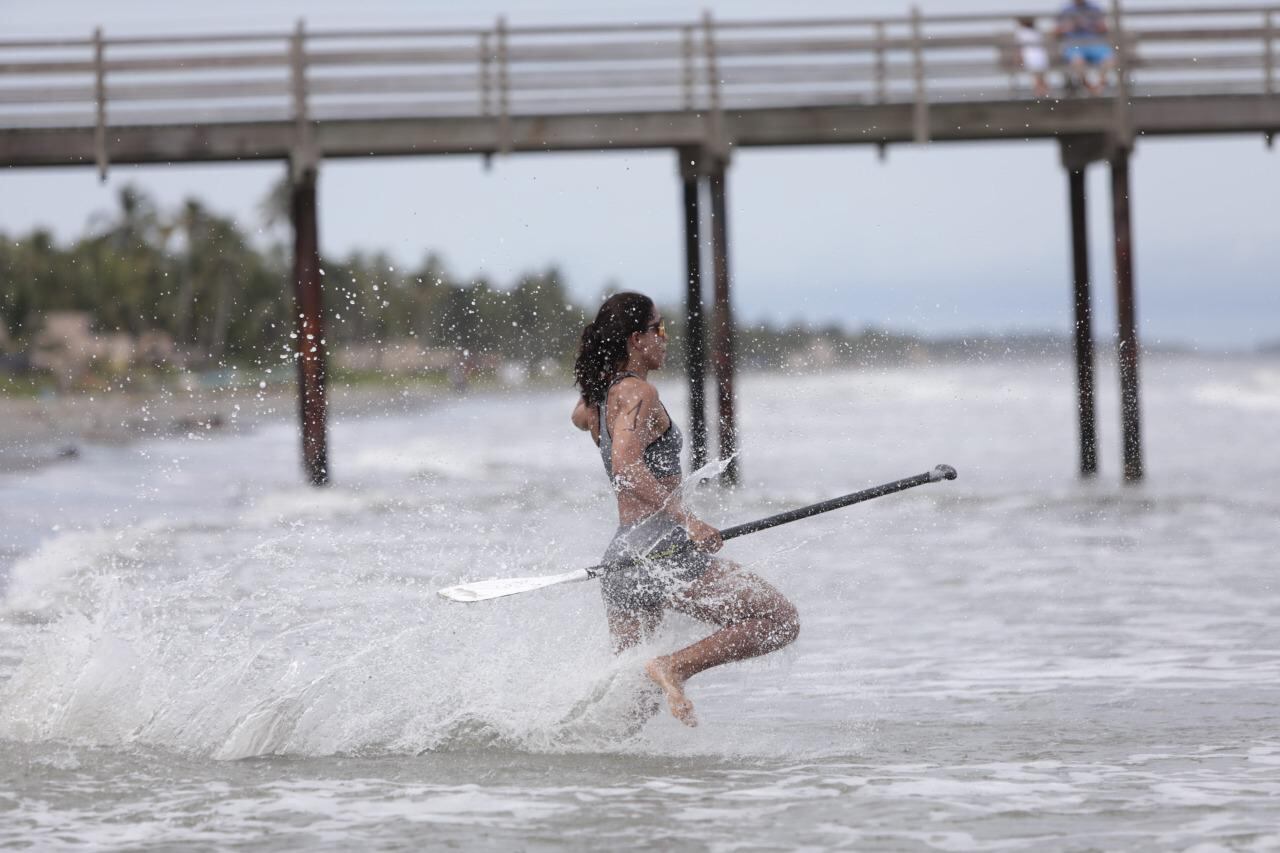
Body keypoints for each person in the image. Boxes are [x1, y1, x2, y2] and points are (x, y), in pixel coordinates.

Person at [571, 292, 799, 727]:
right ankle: (675, 666)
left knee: (631, 707)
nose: (665, 337)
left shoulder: (600, 398)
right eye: (658, 329)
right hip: (661, 551)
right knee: (778, 619)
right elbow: (626, 466)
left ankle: (599, 774)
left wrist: (601, 390)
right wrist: (687, 519)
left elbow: (579, 417)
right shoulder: (638, 392)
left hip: (622, 560)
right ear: (636, 339)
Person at [1055, 0, 1114, 95]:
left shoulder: (1095, 9)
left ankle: (1100, 86)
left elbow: (1104, 29)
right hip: (1074, 44)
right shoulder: (1066, 10)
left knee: (1109, 58)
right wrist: (1070, 27)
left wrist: (1091, 25)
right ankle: (1088, 87)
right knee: (1077, 61)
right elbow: (1056, 31)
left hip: (1094, 43)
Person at [1015, 17, 1050, 99]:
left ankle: (1039, 93)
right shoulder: (1037, 31)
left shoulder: (1021, 32)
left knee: (1036, 76)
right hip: (1040, 55)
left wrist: (1018, 58)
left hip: (1030, 56)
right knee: (1041, 76)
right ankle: (1044, 93)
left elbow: (1019, 48)